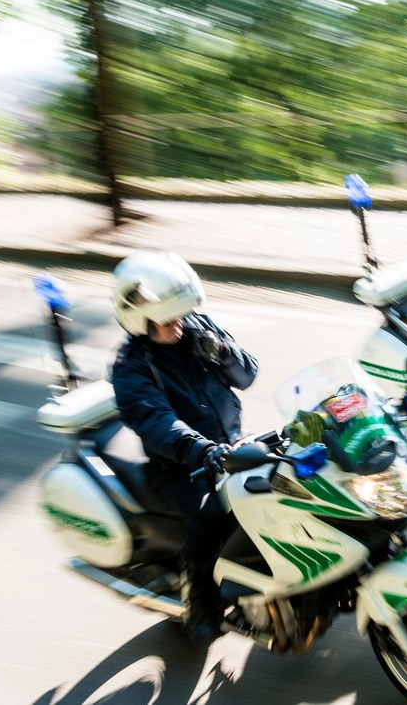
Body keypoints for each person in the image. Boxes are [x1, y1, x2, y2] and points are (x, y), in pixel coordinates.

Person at [108, 251, 259, 643]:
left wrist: (224, 353)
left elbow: (248, 375)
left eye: (182, 314)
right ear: (138, 317)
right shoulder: (131, 367)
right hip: (180, 465)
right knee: (211, 519)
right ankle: (199, 602)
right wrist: (203, 451)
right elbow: (158, 422)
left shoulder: (196, 327)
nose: (179, 324)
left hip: (229, 445)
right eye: (169, 319)